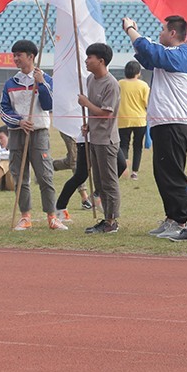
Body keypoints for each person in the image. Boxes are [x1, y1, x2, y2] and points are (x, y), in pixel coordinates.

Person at [123, 15, 187, 237]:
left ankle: (181, 221)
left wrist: (131, 30)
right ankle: (171, 217)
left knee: (172, 174)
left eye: (163, 29)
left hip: (174, 122)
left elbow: (151, 50)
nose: (160, 33)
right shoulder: (170, 56)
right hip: (164, 122)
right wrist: (136, 40)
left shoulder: (180, 54)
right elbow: (147, 58)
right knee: (163, 174)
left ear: (173, 33)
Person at [0, 40, 64, 231]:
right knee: (19, 176)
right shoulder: (11, 83)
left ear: (31, 56)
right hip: (17, 133)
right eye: (14, 55)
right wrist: (19, 121)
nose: (15, 59)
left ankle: (52, 217)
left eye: (19, 55)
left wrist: (41, 84)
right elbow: (4, 110)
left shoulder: (46, 79)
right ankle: (25, 217)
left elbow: (49, 105)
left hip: (39, 133)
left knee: (45, 175)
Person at [77, 43, 122, 235]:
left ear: (101, 61)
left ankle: (112, 221)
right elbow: (95, 112)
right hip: (94, 138)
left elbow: (105, 113)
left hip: (107, 140)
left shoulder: (111, 84)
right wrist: (88, 124)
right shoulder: (90, 79)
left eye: (90, 57)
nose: (86, 61)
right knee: (98, 181)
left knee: (109, 182)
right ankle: (106, 218)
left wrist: (86, 103)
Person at [117, 60, 149, 181]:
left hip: (123, 119)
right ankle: (134, 172)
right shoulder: (143, 85)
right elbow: (147, 104)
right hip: (139, 120)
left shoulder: (119, 84)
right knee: (137, 146)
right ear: (138, 72)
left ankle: (124, 167)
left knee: (123, 145)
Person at [52, 131, 91, 208]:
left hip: (88, 131)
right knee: (74, 160)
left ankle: (48, 166)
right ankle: (84, 197)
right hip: (69, 129)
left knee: (70, 161)